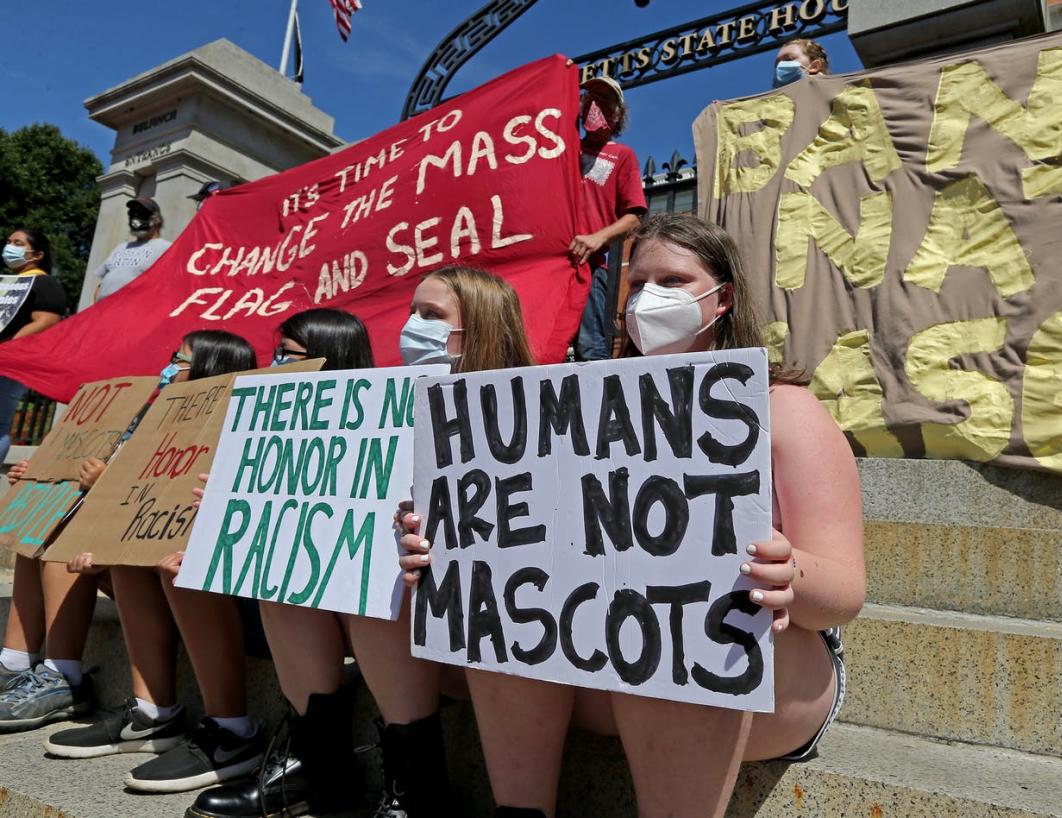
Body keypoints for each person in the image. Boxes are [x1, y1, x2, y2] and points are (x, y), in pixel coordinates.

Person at [398, 213, 866, 818]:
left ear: (722, 298)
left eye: (673, 280)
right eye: (638, 283)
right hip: (595, 667)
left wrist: (788, 572)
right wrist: (449, 546)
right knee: (504, 581)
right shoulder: (573, 407)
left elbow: (844, 594)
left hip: (768, 675)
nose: (650, 298)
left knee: (668, 606)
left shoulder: (786, 408)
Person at [188, 283, 534, 818]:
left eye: (433, 314)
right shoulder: (385, 405)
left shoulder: (525, 406)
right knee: (285, 567)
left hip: (478, 629)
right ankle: (320, 774)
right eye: (413, 311)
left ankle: (418, 793)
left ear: (482, 325)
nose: (414, 324)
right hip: (397, 627)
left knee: (382, 577)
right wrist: (250, 501)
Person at [40, 331, 260, 795]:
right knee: (126, 558)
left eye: (178, 360)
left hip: (237, 591)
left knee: (174, 565)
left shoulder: (245, 426)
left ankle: (232, 733)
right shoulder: (154, 426)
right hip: (173, 584)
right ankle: (150, 714)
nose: (168, 366)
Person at [572, 76, 647, 362]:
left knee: (590, 346)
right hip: (553, 263)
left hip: (591, 266)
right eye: (589, 98)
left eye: (604, 101)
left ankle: (595, 405)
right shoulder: (563, 149)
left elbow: (635, 216)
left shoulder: (622, 156)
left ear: (617, 115)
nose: (594, 105)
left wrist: (597, 238)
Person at [0, 228, 67, 462]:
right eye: (8, 241)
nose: (9, 247)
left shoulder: (44, 283)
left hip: (9, 366)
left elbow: (47, 321)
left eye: (18, 243)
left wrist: (7, 349)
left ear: (36, 255)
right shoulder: (9, 282)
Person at [91, 197, 172, 302]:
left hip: (132, 310)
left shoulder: (166, 247)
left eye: (141, 213)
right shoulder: (121, 247)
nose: (135, 217)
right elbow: (101, 284)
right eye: (132, 213)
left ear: (156, 219)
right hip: (103, 310)